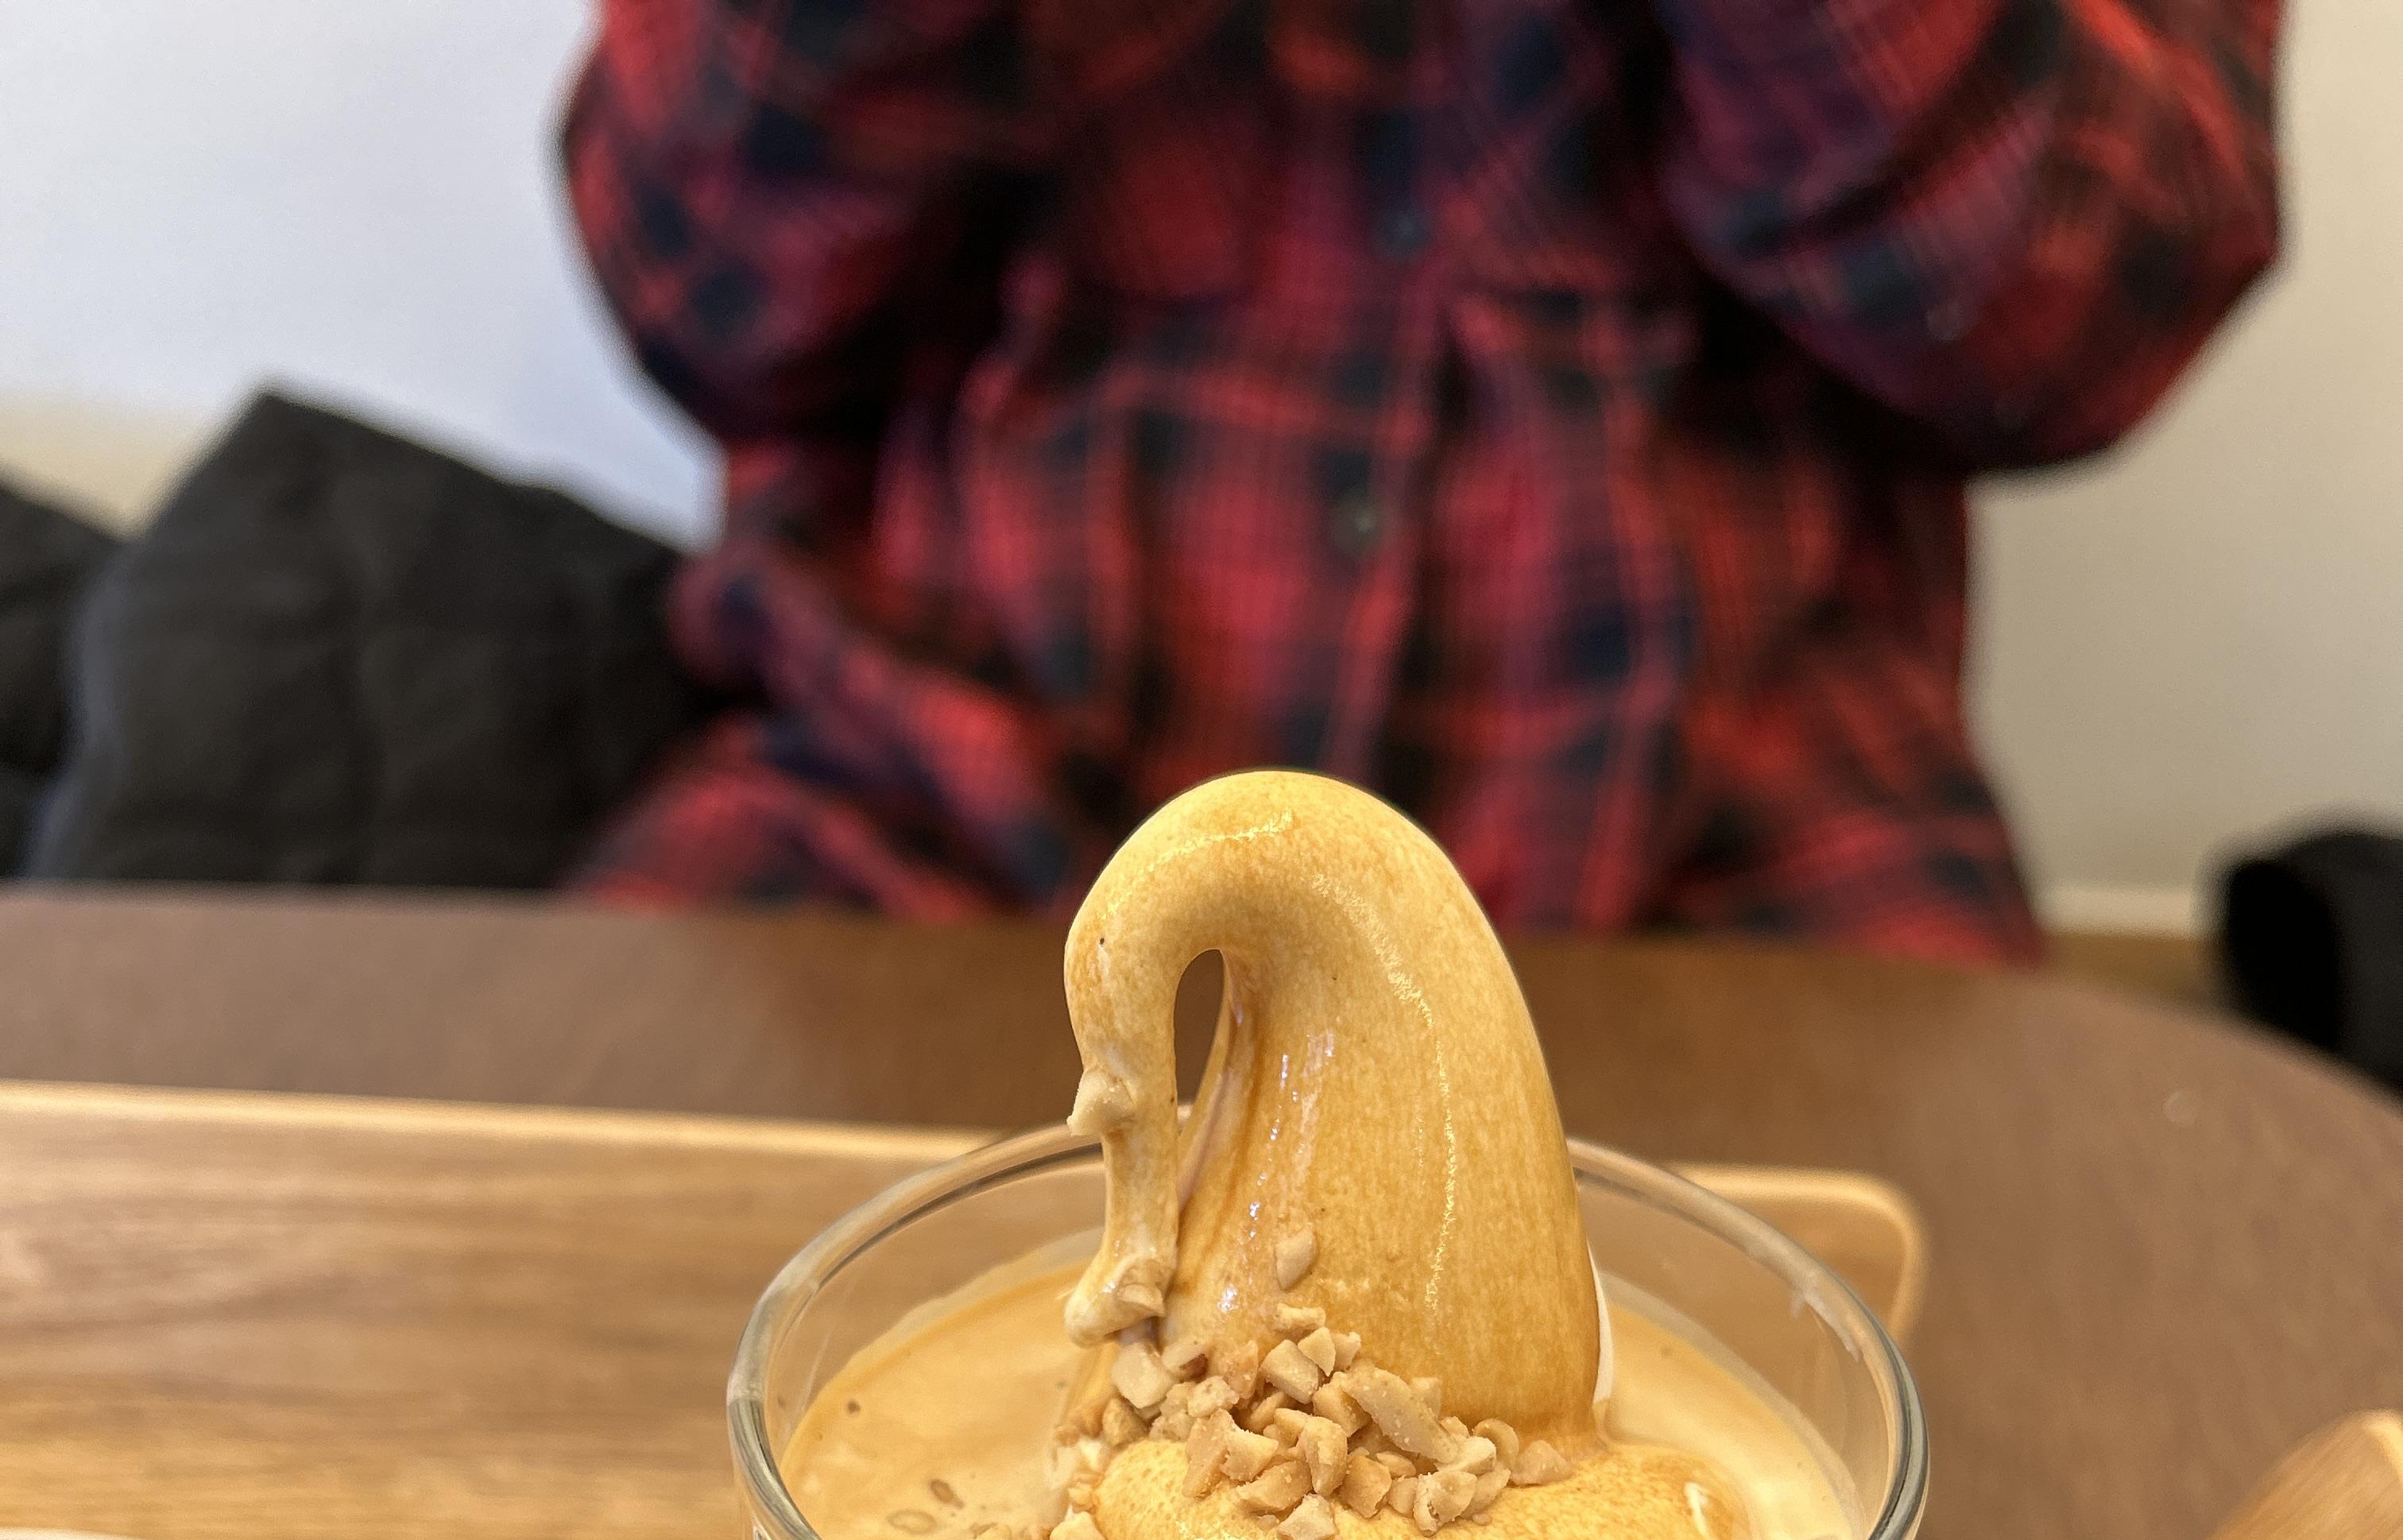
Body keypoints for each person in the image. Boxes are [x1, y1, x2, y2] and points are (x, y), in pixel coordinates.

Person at [565, 0, 2280, 960]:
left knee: (2011, 1433)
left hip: (1735, 817)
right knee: (552, 1363)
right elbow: (695, 293)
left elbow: (2076, 330)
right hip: (930, 785)